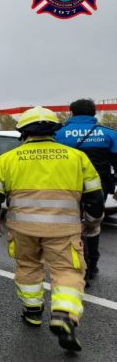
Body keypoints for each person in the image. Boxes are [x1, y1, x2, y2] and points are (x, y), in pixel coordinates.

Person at [0, 106, 104, 352]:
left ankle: (33, 312)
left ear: (23, 132)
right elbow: (95, 198)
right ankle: (64, 315)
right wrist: (92, 223)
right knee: (68, 271)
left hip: (22, 229)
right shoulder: (77, 157)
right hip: (63, 230)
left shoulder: (7, 159)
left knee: (28, 267)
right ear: (54, 130)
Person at [54, 98, 117, 284]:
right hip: (99, 188)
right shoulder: (109, 134)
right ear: (93, 113)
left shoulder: (58, 134)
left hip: (67, 187)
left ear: (71, 113)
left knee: (71, 226)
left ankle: (76, 264)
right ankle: (92, 265)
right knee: (92, 224)